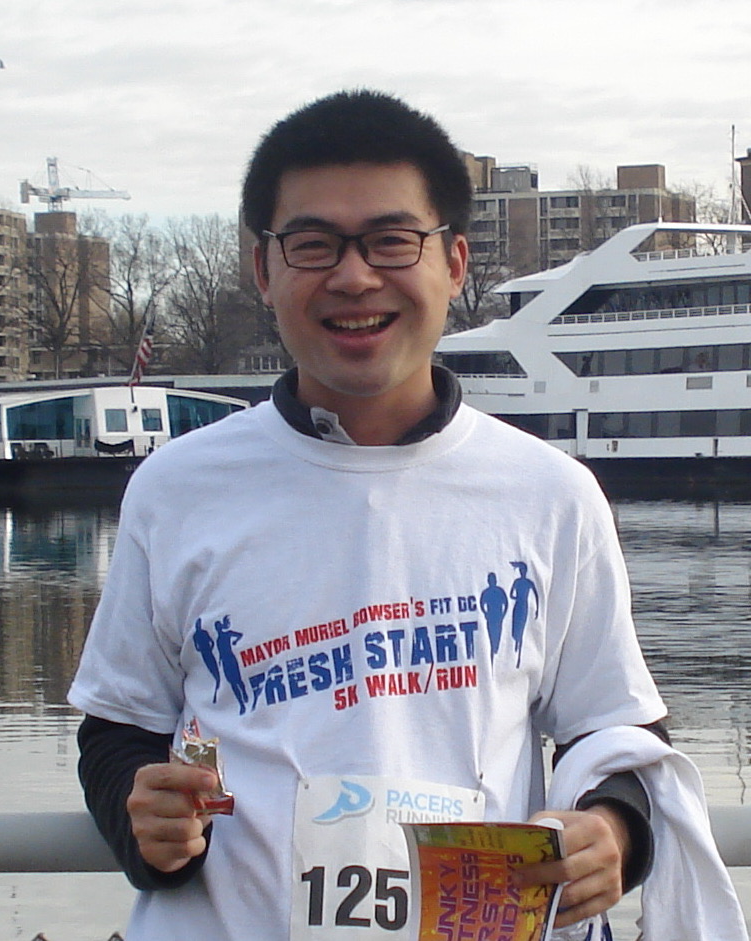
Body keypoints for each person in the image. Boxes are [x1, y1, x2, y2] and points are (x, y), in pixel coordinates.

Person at [68, 90, 745, 941]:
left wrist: (616, 831)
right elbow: (118, 726)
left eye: (392, 240)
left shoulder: (551, 493)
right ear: (264, 271)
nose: (354, 277)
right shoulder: (175, 487)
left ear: (454, 263)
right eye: (313, 244)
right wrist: (144, 822)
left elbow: (615, 730)